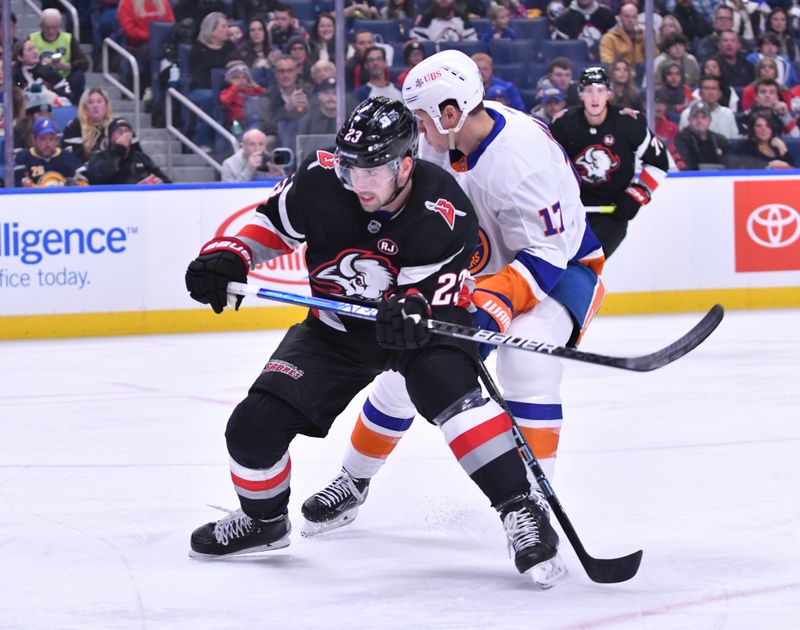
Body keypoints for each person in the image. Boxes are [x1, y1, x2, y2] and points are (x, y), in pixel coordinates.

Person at [184, 96, 564, 587]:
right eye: (350, 169)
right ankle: (264, 521)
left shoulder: (443, 209)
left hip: (422, 328)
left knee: (459, 403)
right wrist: (231, 253)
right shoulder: (321, 178)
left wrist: (415, 307)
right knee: (251, 427)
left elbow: (427, 295)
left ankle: (520, 507)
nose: (358, 183)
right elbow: (273, 222)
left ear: (406, 163)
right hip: (334, 331)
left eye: (373, 171)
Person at [301, 53, 605, 590]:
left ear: (449, 111)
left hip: (562, 270)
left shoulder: (521, 158)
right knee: (402, 372)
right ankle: (353, 482)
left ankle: (531, 509)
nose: (416, 132)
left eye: (420, 119)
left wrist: (494, 301)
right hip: (484, 273)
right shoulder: (447, 148)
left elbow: (548, 254)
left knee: (525, 355)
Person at [550, 66, 669, 258]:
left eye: (600, 90)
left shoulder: (629, 122)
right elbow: (547, 167)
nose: (594, 98)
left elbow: (658, 163)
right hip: (572, 213)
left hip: (613, 214)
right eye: (589, 91)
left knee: (588, 262)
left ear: (609, 94)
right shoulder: (563, 124)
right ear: (581, 94)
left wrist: (636, 195)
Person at [187, 12, 240, 151]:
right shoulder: (198, 49)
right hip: (201, 90)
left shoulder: (230, 47)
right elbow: (197, 77)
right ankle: (201, 142)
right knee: (211, 97)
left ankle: (234, 143)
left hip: (228, 89)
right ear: (212, 30)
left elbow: (238, 68)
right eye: (223, 26)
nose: (228, 29)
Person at [81, 117, 172, 184]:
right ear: (110, 137)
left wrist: (161, 183)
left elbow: (168, 182)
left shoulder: (141, 158)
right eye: (119, 132)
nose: (124, 135)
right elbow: (99, 178)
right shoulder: (99, 157)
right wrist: (119, 149)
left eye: (127, 131)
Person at [28, 8, 89, 104]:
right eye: (47, 28)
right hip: (41, 78)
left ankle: (76, 106)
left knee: (79, 76)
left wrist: (66, 66)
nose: (51, 31)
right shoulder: (32, 38)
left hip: (64, 78)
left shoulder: (68, 38)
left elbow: (84, 63)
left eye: (54, 27)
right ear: (41, 26)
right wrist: (41, 63)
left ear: (59, 26)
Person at [14, 117, 83, 187]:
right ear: (34, 139)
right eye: (43, 139)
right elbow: (16, 184)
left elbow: (82, 182)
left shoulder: (67, 157)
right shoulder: (23, 158)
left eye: (51, 139)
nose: (48, 144)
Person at [670, 100, 730, 170]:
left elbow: (729, 165)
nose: (699, 120)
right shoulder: (680, 140)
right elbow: (684, 167)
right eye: (695, 117)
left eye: (703, 117)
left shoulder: (719, 140)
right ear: (689, 120)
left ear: (710, 120)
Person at [61, 87, 114, 163]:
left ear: (106, 105)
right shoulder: (74, 127)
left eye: (99, 102)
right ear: (84, 107)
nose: (95, 106)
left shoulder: (116, 126)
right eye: (90, 102)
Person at [680, 74, 740, 138]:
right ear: (699, 93)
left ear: (719, 94)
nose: (710, 92)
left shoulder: (728, 114)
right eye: (706, 88)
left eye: (713, 88)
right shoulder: (687, 114)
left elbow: (734, 140)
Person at [552, 0, 616, 60]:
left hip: (604, 62)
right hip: (574, 63)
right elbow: (561, 52)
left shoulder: (607, 14)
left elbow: (615, 45)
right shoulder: (564, 18)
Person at [731, 109, 795, 168]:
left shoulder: (777, 146)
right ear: (752, 128)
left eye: (768, 126)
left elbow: (794, 173)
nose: (763, 129)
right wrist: (768, 167)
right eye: (759, 126)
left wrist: (782, 147)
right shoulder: (743, 148)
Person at [220, 127, 284, 181]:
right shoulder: (229, 164)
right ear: (243, 146)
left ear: (265, 147)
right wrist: (249, 169)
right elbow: (230, 193)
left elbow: (283, 188)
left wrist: (278, 175)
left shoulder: (271, 160)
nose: (257, 148)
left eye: (261, 144)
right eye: (252, 144)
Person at [219, 60, 266, 128]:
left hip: (254, 119)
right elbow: (224, 101)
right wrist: (234, 87)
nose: (241, 80)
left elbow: (268, 96)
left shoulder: (250, 90)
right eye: (236, 78)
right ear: (229, 80)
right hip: (236, 123)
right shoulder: (228, 91)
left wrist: (256, 86)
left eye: (244, 77)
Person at [412, 0, 478, 43]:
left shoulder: (461, 17)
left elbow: (472, 41)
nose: (443, 0)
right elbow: (419, 41)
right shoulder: (425, 18)